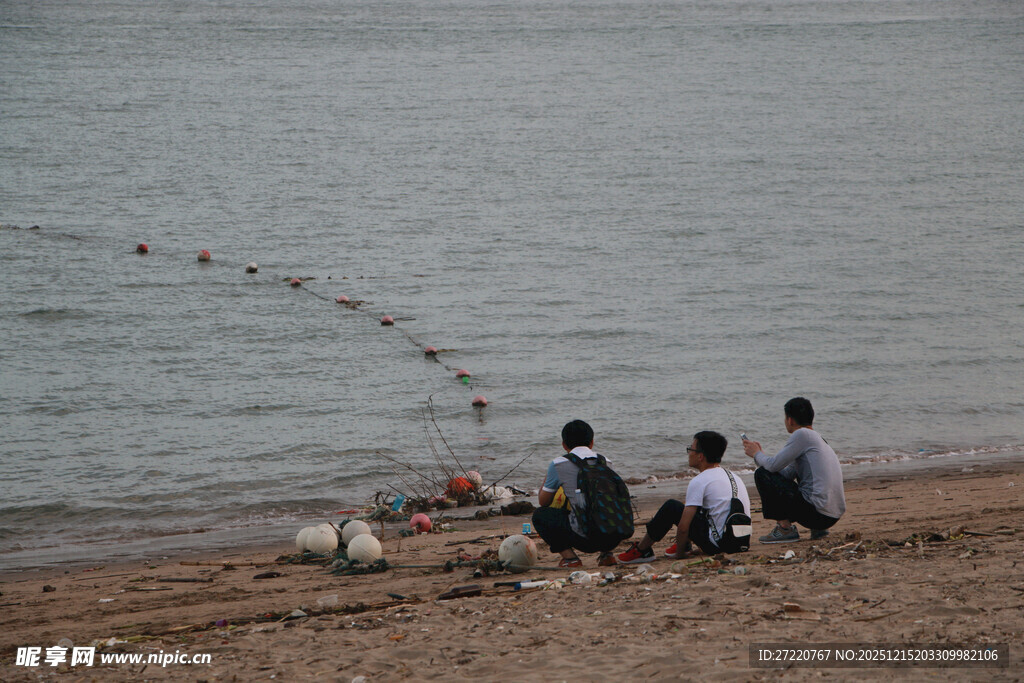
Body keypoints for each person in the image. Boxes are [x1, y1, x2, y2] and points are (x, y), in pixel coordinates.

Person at [617, 431, 751, 563]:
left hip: (720, 545)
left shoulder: (700, 480)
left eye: (690, 449)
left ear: (700, 456)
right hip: (741, 541)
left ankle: (642, 550)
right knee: (692, 506)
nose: (689, 454)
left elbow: (683, 527)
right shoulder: (734, 476)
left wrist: (679, 555)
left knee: (672, 507)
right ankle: (688, 545)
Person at [742, 397, 846, 543]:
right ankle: (818, 530)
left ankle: (784, 528)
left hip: (818, 513)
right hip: (830, 515)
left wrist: (756, 454)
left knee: (761, 474)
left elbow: (771, 468)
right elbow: (785, 475)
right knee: (768, 472)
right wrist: (760, 456)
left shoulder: (802, 434)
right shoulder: (817, 439)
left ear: (790, 420)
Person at [532, 420, 629, 568]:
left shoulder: (558, 464)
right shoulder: (606, 462)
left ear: (564, 445)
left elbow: (543, 501)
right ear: (591, 442)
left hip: (585, 540)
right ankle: (607, 555)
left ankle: (570, 559)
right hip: (614, 536)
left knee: (540, 515)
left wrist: (549, 476)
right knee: (603, 506)